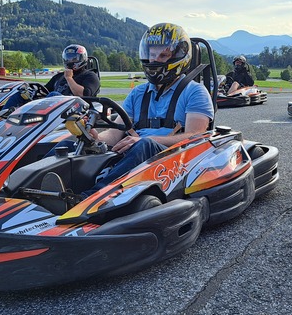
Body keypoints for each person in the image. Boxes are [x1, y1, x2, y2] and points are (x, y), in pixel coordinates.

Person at [82, 23, 214, 195]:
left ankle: (91, 197)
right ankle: (49, 193)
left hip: (174, 160)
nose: (154, 60)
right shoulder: (138, 93)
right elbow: (114, 134)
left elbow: (195, 137)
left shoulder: (195, 92)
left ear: (179, 56)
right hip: (135, 154)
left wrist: (147, 139)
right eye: (152, 54)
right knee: (70, 143)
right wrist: (94, 139)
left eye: (163, 55)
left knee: (145, 145)